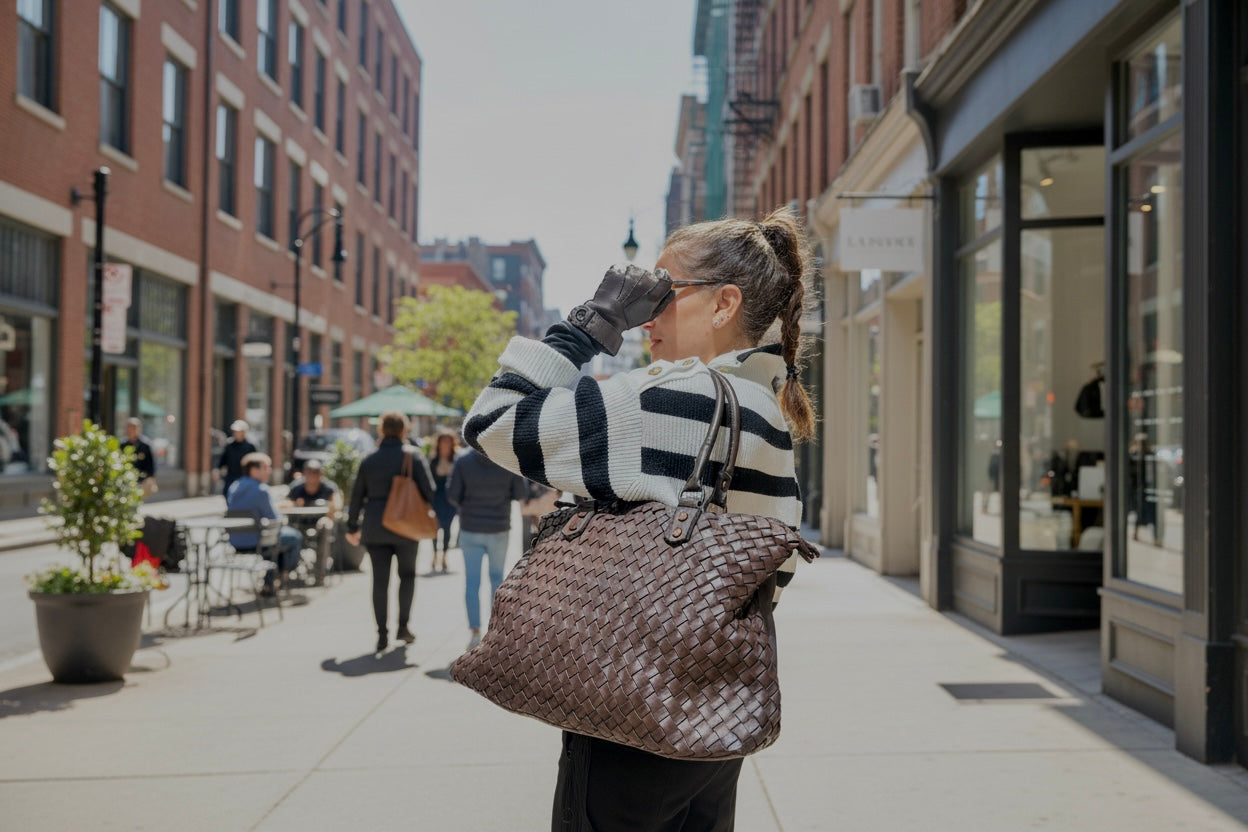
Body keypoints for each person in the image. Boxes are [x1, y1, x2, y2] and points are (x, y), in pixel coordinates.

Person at [463, 206, 815, 832]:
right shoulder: (769, 408)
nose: (646, 315)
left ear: (723, 304)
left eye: (662, 292)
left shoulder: (673, 396)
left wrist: (591, 323)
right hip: (712, 716)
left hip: (633, 712)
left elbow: (494, 420)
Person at [344, 411, 436, 653]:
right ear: (404, 430)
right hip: (406, 525)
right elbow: (430, 491)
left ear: (382, 430)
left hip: (375, 526)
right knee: (407, 576)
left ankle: (382, 635)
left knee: (379, 582)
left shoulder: (369, 458)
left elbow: (356, 496)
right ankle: (403, 627)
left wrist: (352, 525)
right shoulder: (413, 456)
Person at [446, 446, 525, 650]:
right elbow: (519, 492)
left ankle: (474, 632)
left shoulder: (462, 461)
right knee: (497, 579)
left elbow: (452, 494)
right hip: (498, 527)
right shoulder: (506, 459)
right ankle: (495, 632)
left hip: (470, 527)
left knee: (472, 582)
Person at [225, 453, 303, 596]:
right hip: (258, 540)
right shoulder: (261, 489)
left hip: (235, 540)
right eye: (266, 467)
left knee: (274, 541)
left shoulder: (234, 487)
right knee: (293, 537)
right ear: (254, 470)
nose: (269, 471)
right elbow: (274, 519)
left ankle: (270, 581)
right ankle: (281, 575)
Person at [284, 459, 340, 583]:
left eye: (316, 473)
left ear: (321, 474)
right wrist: (293, 504)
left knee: (325, 527)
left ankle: (320, 573)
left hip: (319, 524)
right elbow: (285, 503)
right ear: (304, 474)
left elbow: (336, 505)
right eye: (309, 473)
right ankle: (286, 572)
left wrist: (329, 506)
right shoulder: (296, 487)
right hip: (299, 523)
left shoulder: (329, 487)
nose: (312, 476)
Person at [428, 431, 459, 572]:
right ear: (438, 444)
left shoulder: (457, 460)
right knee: (435, 529)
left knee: (447, 528)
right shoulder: (433, 461)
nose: (445, 445)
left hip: (450, 501)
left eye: (448, 442)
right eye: (443, 442)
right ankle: (435, 555)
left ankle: (445, 557)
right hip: (436, 500)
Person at [216, 420, 257, 496]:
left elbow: (254, 463)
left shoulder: (250, 446)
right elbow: (223, 459)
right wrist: (218, 470)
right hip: (231, 476)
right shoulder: (229, 445)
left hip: (245, 477)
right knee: (227, 493)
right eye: (234, 431)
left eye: (238, 431)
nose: (235, 433)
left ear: (244, 432)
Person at [120, 417, 156, 497]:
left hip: (142, 480)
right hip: (127, 479)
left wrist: (151, 478)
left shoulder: (145, 445)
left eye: (134, 428)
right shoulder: (122, 445)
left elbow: (151, 463)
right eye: (129, 428)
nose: (131, 430)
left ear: (139, 429)